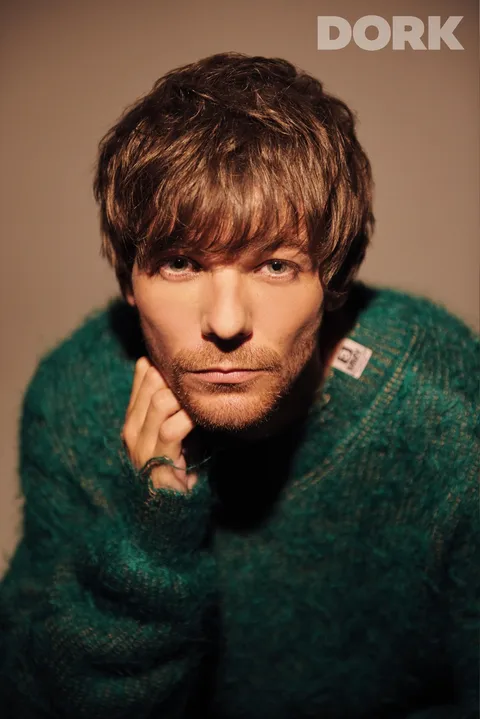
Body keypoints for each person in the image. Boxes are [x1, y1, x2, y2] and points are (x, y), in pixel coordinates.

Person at [0, 51, 478, 719]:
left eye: (275, 265)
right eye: (180, 263)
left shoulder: (445, 411)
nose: (225, 323)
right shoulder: (73, 400)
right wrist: (152, 534)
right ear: (128, 279)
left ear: (334, 279)